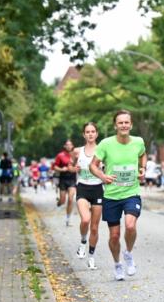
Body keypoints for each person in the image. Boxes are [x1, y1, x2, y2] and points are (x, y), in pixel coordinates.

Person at [89, 110, 147, 281]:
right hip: (112, 195)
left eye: (126, 122)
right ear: (115, 125)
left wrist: (143, 168)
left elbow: (143, 155)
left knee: (130, 226)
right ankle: (117, 264)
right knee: (114, 236)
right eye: (120, 123)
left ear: (131, 124)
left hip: (132, 193)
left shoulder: (138, 142)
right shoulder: (106, 144)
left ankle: (128, 253)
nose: (123, 125)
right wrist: (102, 176)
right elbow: (93, 165)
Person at [73, 122, 104, 270]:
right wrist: (75, 168)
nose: (90, 134)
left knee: (95, 227)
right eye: (87, 132)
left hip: (98, 188)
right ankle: (82, 242)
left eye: (93, 131)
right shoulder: (77, 151)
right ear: (83, 134)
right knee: (85, 219)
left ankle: (91, 257)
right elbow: (72, 167)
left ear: (97, 134)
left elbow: (109, 167)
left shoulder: (102, 150)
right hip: (83, 188)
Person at [53, 140, 78, 226]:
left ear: (72, 146)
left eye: (70, 144)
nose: (69, 146)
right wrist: (61, 169)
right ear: (65, 146)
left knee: (71, 199)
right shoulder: (60, 155)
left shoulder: (75, 155)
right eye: (67, 145)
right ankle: (59, 202)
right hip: (63, 179)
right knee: (63, 201)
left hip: (72, 179)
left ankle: (68, 219)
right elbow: (55, 167)